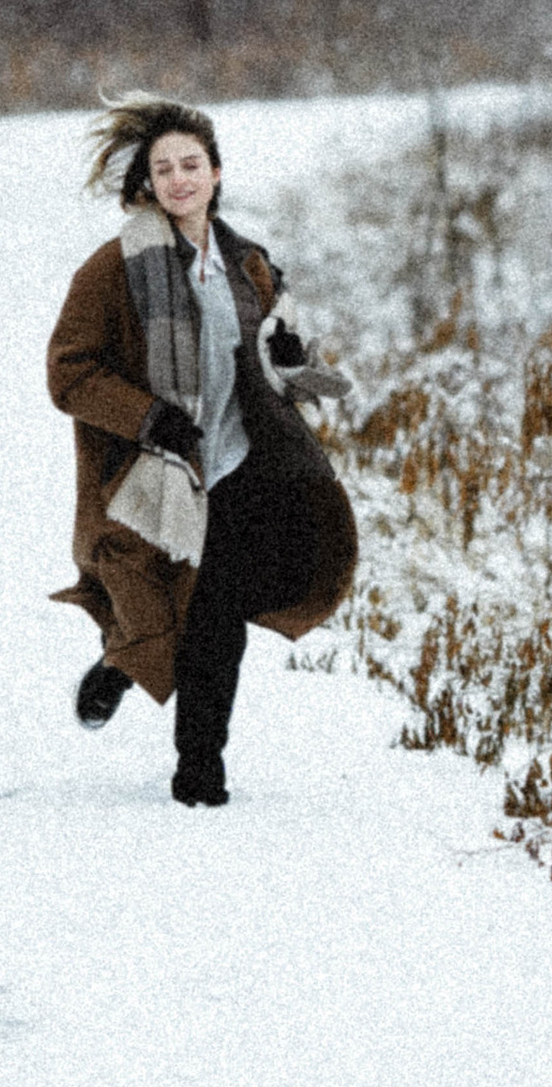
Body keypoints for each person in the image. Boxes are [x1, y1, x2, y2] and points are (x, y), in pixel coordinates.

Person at [47, 95, 357, 805]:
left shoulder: (250, 263)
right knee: (158, 612)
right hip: (154, 472)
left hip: (241, 464)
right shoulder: (113, 270)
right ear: (147, 183)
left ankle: (200, 770)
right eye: (165, 169)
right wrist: (148, 416)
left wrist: (288, 354)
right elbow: (68, 372)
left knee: (217, 614)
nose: (180, 179)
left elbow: (277, 361)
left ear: (217, 173)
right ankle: (120, 663)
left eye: (193, 165)